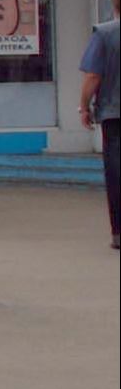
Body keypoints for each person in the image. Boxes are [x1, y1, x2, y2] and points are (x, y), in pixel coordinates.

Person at [81, 17, 119, 249]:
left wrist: (84, 106)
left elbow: (93, 75)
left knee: (116, 173)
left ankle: (119, 233)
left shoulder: (104, 34)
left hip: (114, 114)